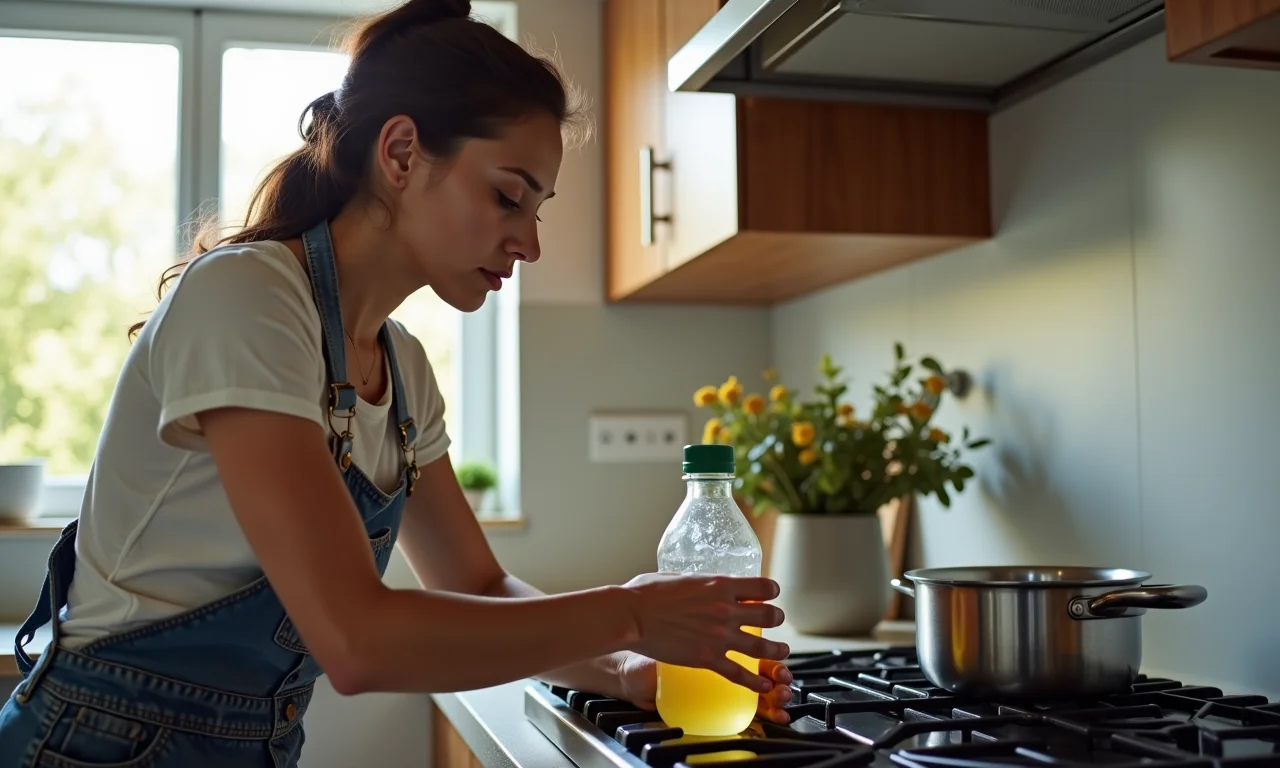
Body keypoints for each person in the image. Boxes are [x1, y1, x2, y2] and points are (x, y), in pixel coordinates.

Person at [0, 0, 794, 764]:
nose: (530, 242)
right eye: (507, 195)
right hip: (98, 745)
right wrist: (629, 614)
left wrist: (629, 668)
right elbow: (355, 640)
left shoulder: (402, 368)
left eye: (538, 209)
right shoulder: (245, 298)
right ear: (402, 153)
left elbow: (479, 584)